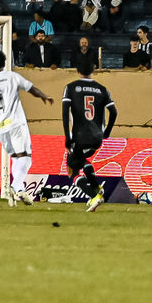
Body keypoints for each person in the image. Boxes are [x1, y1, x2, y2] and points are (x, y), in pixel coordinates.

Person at [0, 49, 55, 206]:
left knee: (15, 158)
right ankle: (14, 187)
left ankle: (19, 191)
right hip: (15, 123)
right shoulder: (12, 76)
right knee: (25, 158)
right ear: (4, 63)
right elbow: (31, 89)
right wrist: (44, 96)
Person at [62, 59, 119, 213]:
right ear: (93, 70)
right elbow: (114, 112)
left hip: (80, 137)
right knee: (82, 161)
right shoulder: (102, 89)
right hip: (97, 138)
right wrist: (106, 133)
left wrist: (68, 137)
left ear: (77, 70)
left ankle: (94, 195)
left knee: (72, 170)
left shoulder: (70, 88)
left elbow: (65, 114)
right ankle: (96, 187)